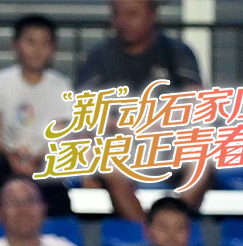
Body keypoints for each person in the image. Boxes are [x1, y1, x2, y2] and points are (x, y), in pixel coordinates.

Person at [75, 0, 203, 223]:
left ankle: (173, 225)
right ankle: (149, 232)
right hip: (119, 144)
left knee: (203, 153)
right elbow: (86, 111)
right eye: (117, 14)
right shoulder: (99, 56)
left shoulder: (176, 51)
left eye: (132, 14)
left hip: (169, 142)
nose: (123, 21)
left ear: (153, 15)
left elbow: (194, 101)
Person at [0, 14, 72, 218]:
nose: (37, 50)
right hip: (6, 159)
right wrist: (12, 155)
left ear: (54, 49)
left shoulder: (61, 85)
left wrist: (38, 158)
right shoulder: (0, 82)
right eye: (30, 42)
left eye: (45, 43)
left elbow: (60, 135)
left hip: (45, 160)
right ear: (15, 46)